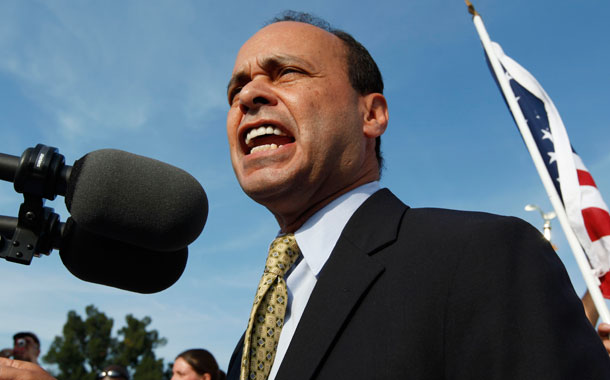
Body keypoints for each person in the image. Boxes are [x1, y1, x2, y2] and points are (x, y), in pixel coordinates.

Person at [222, 11, 610, 380]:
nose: (248, 96)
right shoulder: (251, 344)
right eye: (237, 88)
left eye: (287, 72)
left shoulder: (484, 257)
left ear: (371, 115)